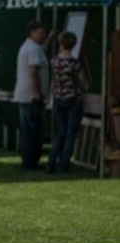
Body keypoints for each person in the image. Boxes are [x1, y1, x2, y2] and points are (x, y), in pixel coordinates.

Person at [47, 31, 88, 173]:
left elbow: (53, 81)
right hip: (73, 99)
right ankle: (64, 165)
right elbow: (83, 84)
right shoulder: (75, 63)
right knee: (71, 134)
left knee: (60, 132)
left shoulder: (55, 61)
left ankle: (51, 162)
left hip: (58, 98)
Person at [14, 21, 49, 170]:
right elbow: (34, 73)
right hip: (31, 96)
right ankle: (32, 161)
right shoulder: (33, 49)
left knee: (27, 130)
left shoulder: (29, 47)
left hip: (23, 94)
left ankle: (28, 160)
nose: (43, 36)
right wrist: (38, 94)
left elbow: (41, 52)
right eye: (41, 33)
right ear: (32, 33)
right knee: (34, 130)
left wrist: (50, 39)